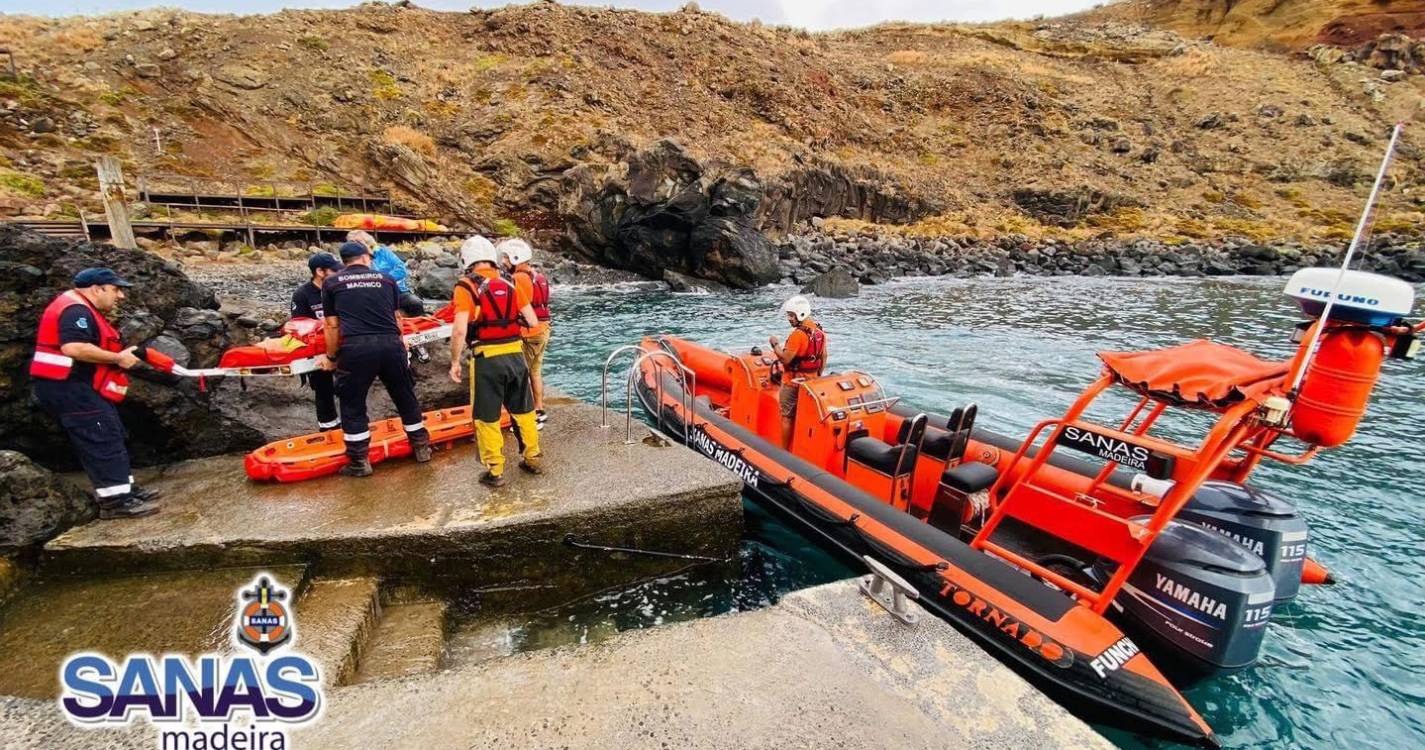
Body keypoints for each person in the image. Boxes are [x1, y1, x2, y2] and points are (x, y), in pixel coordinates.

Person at [30, 268, 159, 519]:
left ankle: (124, 490)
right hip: (67, 386)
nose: (120, 296)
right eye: (115, 289)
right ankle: (115, 502)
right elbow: (74, 348)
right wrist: (117, 358)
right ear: (97, 289)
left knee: (111, 431)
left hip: (76, 385)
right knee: (100, 436)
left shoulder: (78, 306)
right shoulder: (75, 311)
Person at [319, 241, 432, 477]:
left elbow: (331, 325)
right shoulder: (386, 280)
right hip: (390, 344)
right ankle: (422, 447)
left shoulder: (332, 283)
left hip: (356, 348)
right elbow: (397, 317)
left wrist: (331, 357)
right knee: (405, 395)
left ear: (345, 262)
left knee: (353, 403)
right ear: (364, 258)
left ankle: (359, 461)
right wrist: (401, 344)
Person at [448, 236, 543, 488]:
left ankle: (495, 471)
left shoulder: (466, 286)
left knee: (486, 416)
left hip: (487, 358)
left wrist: (455, 361)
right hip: (516, 356)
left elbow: (459, 330)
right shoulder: (510, 282)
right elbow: (532, 321)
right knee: (524, 410)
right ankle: (532, 458)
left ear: (467, 260)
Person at [497, 238, 552, 428]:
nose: (504, 261)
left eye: (506, 258)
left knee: (521, 375)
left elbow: (519, 307)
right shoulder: (537, 275)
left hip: (529, 333)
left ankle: (529, 417)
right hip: (542, 330)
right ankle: (539, 410)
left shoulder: (519, 279)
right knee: (535, 372)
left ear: (515, 257)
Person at [291, 252, 344, 430]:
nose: (338, 273)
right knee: (323, 387)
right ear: (320, 272)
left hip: (341, 345)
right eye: (334, 270)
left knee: (349, 385)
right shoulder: (302, 295)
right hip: (317, 351)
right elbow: (299, 326)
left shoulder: (339, 289)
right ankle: (328, 427)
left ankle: (353, 425)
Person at [768, 294, 827, 449]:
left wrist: (775, 345)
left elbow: (785, 359)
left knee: (787, 416)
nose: (789, 318)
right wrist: (817, 376)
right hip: (811, 383)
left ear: (800, 314)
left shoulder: (798, 335)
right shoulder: (819, 332)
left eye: (791, 315)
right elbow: (823, 357)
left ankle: (783, 450)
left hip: (792, 383)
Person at [346, 230, 424, 316]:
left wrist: (383, 279)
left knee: (415, 303)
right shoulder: (355, 259)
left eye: (359, 243)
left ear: (368, 242)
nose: (356, 246)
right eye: (353, 244)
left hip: (396, 291)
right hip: (373, 294)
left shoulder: (383, 252)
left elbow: (401, 270)